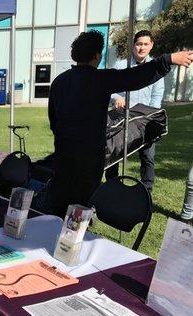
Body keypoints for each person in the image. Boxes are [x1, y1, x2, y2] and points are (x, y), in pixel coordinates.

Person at [43, 30, 192, 218]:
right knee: (80, 212)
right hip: (88, 158)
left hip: (64, 152)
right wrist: (167, 60)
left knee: (59, 203)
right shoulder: (100, 79)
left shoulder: (59, 82)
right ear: (98, 55)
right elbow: (136, 76)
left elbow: (53, 120)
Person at [106, 30, 164, 192]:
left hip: (145, 120)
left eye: (146, 44)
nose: (142, 48)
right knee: (113, 155)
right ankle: (113, 189)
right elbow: (109, 89)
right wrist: (115, 98)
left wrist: (149, 117)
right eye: (139, 44)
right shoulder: (120, 66)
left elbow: (156, 98)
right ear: (133, 45)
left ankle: (146, 193)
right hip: (120, 119)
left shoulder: (156, 68)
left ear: (151, 45)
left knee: (148, 157)